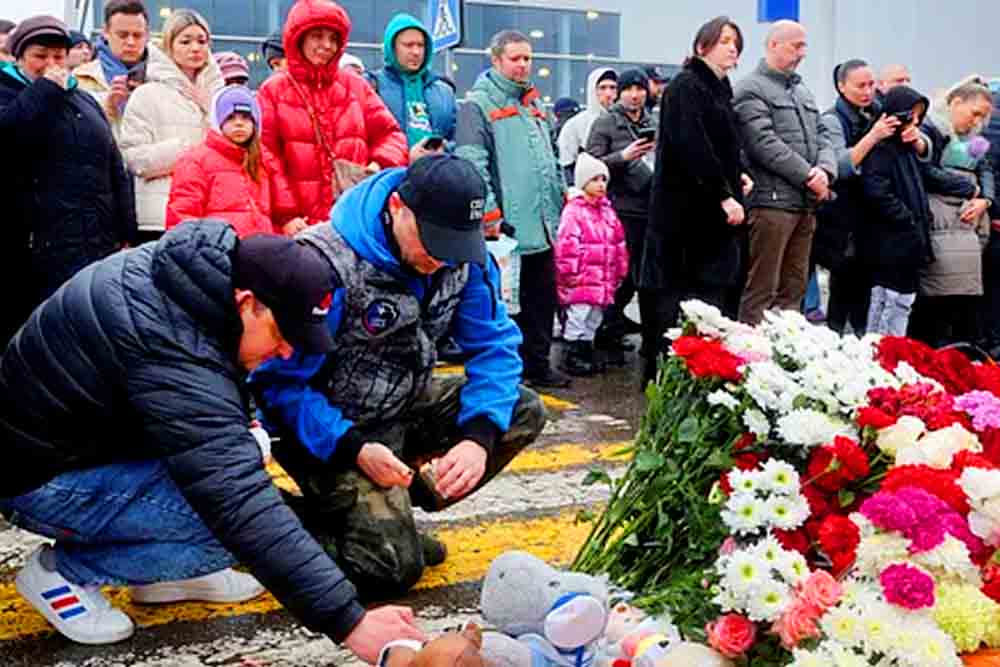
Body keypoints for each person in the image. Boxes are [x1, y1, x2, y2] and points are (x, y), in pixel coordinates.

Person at [0, 220, 426, 660]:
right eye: (282, 336)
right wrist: (350, 622)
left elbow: (213, 393)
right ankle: (64, 575)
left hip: (88, 445)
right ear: (249, 304)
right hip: (38, 478)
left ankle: (161, 577)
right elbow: (235, 500)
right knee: (226, 528)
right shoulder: (168, 340)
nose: (285, 353)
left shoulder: (192, 285)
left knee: (239, 478)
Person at [250, 154, 546, 604]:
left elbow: (495, 346)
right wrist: (352, 447)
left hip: (399, 404)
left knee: (523, 409)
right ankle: (269, 518)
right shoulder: (326, 265)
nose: (439, 258)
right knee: (387, 571)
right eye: (431, 240)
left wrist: (477, 439)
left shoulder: (462, 259)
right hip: (329, 428)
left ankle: (388, 518)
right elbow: (278, 387)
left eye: (454, 243)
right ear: (396, 207)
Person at [0, 15, 137, 345]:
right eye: (40, 56)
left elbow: (113, 165)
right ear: (19, 57)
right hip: (35, 249)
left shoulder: (85, 100)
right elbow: (10, 137)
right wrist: (46, 89)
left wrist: (125, 230)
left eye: (58, 57)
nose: (51, 64)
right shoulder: (7, 93)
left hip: (93, 242)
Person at [640, 16, 750, 386]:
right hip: (684, 217)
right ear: (702, 45)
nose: (731, 47)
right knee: (678, 300)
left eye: (735, 41)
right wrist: (723, 194)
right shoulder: (687, 86)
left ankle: (701, 375)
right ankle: (667, 378)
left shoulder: (721, 88)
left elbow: (726, 144)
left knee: (711, 299)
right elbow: (692, 146)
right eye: (723, 41)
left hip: (711, 216)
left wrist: (740, 175)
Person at [455, 30, 568, 388]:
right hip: (508, 230)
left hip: (543, 224)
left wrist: (562, 195)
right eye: (515, 58)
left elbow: (550, 155)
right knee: (507, 305)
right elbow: (473, 163)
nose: (523, 65)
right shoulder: (477, 105)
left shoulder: (534, 103)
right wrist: (490, 215)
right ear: (496, 60)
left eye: (527, 58)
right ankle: (511, 373)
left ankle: (539, 365)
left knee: (542, 300)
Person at [258, 0, 408, 237]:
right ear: (299, 38)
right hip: (299, 226)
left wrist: (378, 165)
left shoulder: (356, 86)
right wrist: (286, 214)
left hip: (354, 221)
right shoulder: (273, 91)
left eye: (333, 38)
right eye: (317, 36)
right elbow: (265, 157)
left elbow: (392, 135)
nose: (327, 45)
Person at [734, 20, 836, 325]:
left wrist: (826, 171)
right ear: (773, 45)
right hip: (771, 203)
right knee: (762, 288)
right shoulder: (750, 89)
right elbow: (763, 143)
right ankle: (749, 356)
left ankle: (786, 352)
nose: (803, 53)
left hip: (805, 203)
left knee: (794, 288)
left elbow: (823, 134)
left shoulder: (802, 90)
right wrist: (809, 175)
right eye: (797, 45)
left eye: (804, 45)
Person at [862, 85, 975, 336]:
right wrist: (907, 219)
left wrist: (969, 188)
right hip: (893, 240)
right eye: (909, 115)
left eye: (918, 116)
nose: (914, 121)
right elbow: (876, 191)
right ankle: (879, 349)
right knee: (888, 300)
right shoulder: (881, 148)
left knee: (903, 301)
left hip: (909, 239)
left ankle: (894, 348)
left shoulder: (908, 149)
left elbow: (929, 174)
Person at [814, 60, 902, 334]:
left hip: (872, 218)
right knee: (842, 290)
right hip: (842, 222)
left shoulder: (878, 112)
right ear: (841, 87)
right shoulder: (832, 120)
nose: (868, 92)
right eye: (860, 85)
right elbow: (839, 166)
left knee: (866, 291)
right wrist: (873, 136)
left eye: (871, 85)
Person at [119, 9, 223, 240]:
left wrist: (210, 109)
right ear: (169, 46)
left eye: (201, 41)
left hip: (212, 213)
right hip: (159, 216)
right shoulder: (146, 95)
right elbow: (134, 158)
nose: (195, 48)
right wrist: (187, 151)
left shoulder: (220, 96)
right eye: (185, 41)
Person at [907, 78, 995, 347]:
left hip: (966, 229)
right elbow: (926, 172)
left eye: (983, 116)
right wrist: (970, 187)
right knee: (937, 298)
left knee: (960, 300)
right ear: (956, 102)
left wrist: (986, 200)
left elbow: (986, 168)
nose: (977, 121)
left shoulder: (971, 139)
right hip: (940, 226)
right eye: (975, 113)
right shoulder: (931, 129)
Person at [584, 68, 655, 365]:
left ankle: (613, 326)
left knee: (642, 274)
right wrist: (623, 158)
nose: (635, 95)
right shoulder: (606, 123)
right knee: (620, 273)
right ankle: (606, 326)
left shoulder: (654, 122)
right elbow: (589, 164)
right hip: (620, 207)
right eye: (628, 89)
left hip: (650, 206)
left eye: (640, 89)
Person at [555, 153, 628, 376]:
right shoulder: (574, 211)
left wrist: (620, 269)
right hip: (581, 278)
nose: (600, 185)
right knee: (579, 314)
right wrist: (568, 273)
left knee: (594, 316)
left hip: (602, 277)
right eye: (594, 180)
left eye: (603, 179)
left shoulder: (608, 212)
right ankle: (572, 352)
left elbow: (618, 242)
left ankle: (586, 349)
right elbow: (567, 244)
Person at [167, 85, 274, 236]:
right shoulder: (196, 161)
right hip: (218, 250)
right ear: (218, 122)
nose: (239, 123)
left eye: (246, 117)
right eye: (230, 117)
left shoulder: (262, 162)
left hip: (260, 249)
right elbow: (183, 214)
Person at [366, 14, 457, 153]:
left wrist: (444, 149)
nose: (416, 52)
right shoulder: (370, 86)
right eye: (408, 45)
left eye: (420, 45)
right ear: (392, 48)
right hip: (392, 172)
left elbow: (459, 139)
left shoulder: (444, 91)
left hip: (437, 170)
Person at [74, 0, 153, 139]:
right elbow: (73, 133)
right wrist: (108, 107)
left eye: (137, 35)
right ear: (105, 32)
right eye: (122, 35)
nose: (131, 42)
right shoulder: (80, 78)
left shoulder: (163, 77)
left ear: (147, 35)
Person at [558, 67, 616, 185]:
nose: (608, 93)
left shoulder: (625, 121)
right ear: (592, 90)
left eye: (613, 87)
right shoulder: (575, 125)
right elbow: (566, 163)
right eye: (602, 88)